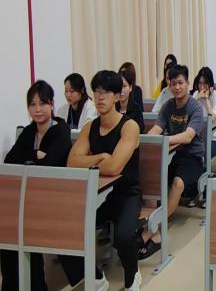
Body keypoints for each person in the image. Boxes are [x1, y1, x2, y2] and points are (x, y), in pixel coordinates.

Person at [67, 70, 142, 290]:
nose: (100, 97)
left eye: (106, 92)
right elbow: (72, 161)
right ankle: (96, 277)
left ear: (117, 96)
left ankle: (132, 274)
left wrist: (90, 161)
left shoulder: (129, 127)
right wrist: (100, 157)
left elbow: (115, 167)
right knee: (66, 229)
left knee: (124, 237)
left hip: (126, 194)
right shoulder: (90, 127)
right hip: (97, 194)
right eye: (97, 91)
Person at [2, 81, 78, 291]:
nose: (37, 109)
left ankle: (36, 285)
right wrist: (35, 154)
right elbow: (10, 160)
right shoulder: (29, 131)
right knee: (7, 227)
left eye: (42, 103)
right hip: (28, 197)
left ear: (51, 104)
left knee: (24, 224)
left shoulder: (61, 130)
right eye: (32, 104)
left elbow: (51, 163)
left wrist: (29, 160)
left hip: (55, 196)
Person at [140, 65, 206, 258]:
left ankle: (154, 228)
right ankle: (150, 226)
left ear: (187, 84)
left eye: (180, 83)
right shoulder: (168, 106)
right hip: (172, 154)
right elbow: (156, 129)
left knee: (177, 183)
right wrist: (146, 140)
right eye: (173, 83)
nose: (177, 87)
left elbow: (187, 136)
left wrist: (164, 140)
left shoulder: (195, 107)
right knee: (150, 178)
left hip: (193, 157)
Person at [192, 67, 216, 157]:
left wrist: (206, 99)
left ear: (210, 83)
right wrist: (196, 98)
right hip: (198, 138)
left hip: (214, 139)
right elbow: (188, 112)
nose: (202, 87)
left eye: (205, 83)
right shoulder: (196, 94)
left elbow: (212, 117)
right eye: (200, 83)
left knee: (201, 151)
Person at [117, 68, 145, 133]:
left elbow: (139, 130)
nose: (121, 90)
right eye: (118, 86)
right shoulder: (112, 109)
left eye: (124, 86)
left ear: (130, 88)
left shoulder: (136, 109)